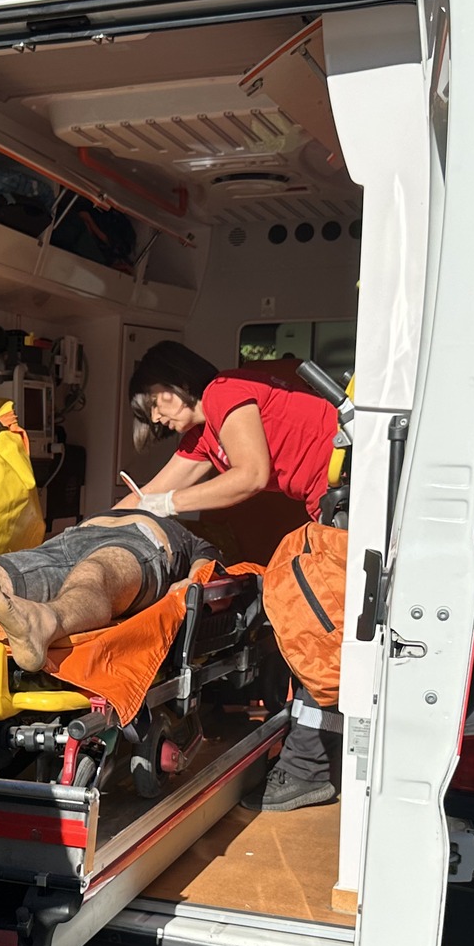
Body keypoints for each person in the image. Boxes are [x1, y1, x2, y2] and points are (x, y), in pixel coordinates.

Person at [122, 339, 346, 811]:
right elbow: (145, 497)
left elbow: (250, 475)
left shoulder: (224, 391)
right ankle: (311, 762)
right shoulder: (204, 436)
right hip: (333, 503)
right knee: (315, 623)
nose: (156, 417)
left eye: (155, 402)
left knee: (311, 622)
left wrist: (169, 505)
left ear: (177, 381)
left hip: (355, 490)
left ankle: (309, 770)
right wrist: (86, 533)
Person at [0, 510, 217, 673]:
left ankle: (43, 621)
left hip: (140, 544)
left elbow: (208, 569)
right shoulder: (118, 507)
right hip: (67, 540)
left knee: (92, 575)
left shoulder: (187, 536)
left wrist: (189, 583)